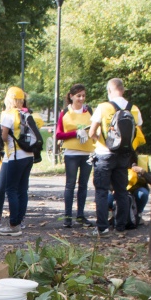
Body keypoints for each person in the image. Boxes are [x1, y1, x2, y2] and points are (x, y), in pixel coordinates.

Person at [89, 78, 143, 235]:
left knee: (101, 191)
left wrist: (101, 140)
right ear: (123, 90)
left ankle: (102, 227)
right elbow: (138, 133)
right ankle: (120, 226)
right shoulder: (134, 109)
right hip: (124, 155)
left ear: (109, 90)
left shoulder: (103, 107)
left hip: (104, 154)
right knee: (121, 191)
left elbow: (92, 132)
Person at [0, 86, 37, 238]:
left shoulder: (8, 115)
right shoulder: (26, 114)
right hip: (29, 155)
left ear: (9, 99)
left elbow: (4, 136)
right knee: (22, 189)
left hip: (15, 155)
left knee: (11, 189)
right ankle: (20, 220)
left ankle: (14, 224)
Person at [55, 83, 95, 228]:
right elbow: (59, 134)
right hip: (71, 153)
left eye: (83, 96)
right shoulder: (65, 112)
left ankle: (81, 215)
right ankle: (67, 216)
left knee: (83, 185)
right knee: (70, 185)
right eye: (78, 96)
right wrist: (75, 133)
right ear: (71, 96)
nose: (81, 98)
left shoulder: (89, 111)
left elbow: (95, 129)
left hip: (87, 152)